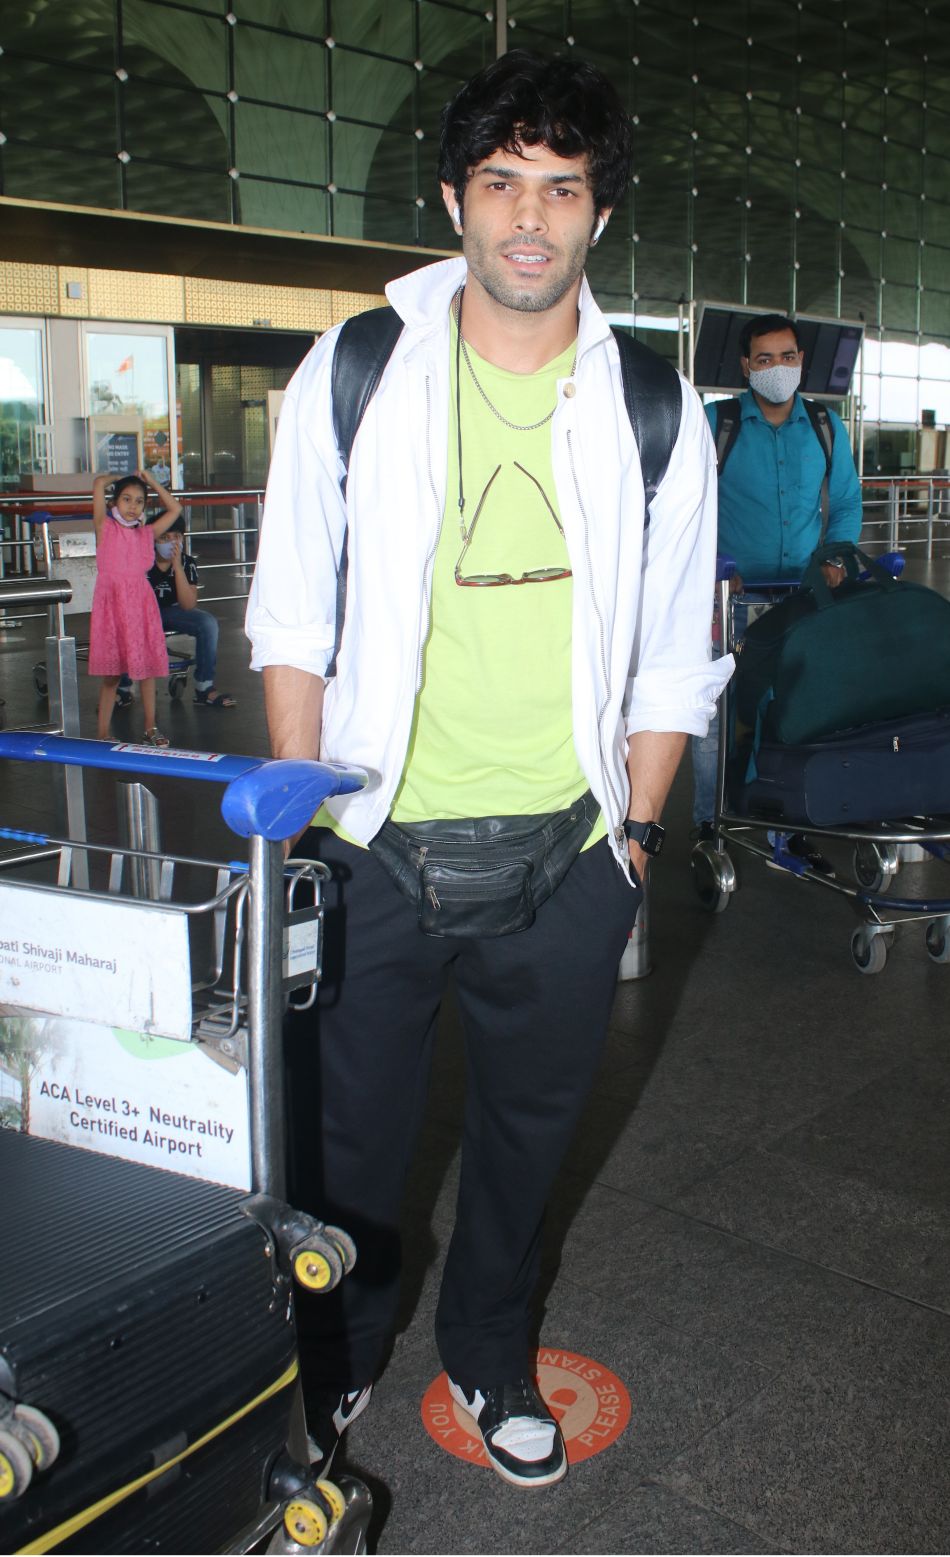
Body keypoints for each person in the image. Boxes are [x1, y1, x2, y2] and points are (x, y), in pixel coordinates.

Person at [246, 49, 730, 1490]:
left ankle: (491, 1354)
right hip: (373, 839)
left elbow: (672, 650)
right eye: (502, 182)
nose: (530, 216)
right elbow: (291, 611)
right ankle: (336, 1357)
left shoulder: (649, 404)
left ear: (597, 214)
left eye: (561, 188)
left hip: (567, 851)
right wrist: (308, 820)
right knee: (348, 1145)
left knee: (526, 1141)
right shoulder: (357, 370)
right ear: (454, 200)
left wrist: (633, 840)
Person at [690, 312, 863, 836]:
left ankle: (782, 813)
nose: (778, 368)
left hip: (803, 600)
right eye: (765, 359)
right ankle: (711, 821)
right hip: (729, 600)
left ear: (801, 361)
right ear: (746, 366)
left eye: (787, 357)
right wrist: (713, 567)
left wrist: (835, 559)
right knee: (718, 716)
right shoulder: (716, 424)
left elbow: (846, 503)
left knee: (794, 707)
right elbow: (686, 506)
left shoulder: (824, 426)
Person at [88, 470, 180, 745]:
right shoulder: (105, 528)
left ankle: (151, 727)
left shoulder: (147, 533)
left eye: (139, 501)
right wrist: (119, 475)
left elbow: (175, 509)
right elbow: (98, 484)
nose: (132, 506)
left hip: (140, 605)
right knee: (112, 674)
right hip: (112, 606)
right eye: (126, 499)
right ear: (114, 502)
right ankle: (102, 732)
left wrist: (151, 481)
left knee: (147, 669)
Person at [116, 517, 235, 710]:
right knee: (123, 625)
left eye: (177, 537)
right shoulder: (139, 560)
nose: (171, 542)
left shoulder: (187, 563)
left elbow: (188, 604)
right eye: (164, 538)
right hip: (141, 613)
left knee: (207, 623)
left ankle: (204, 687)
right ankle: (123, 689)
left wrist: (177, 566)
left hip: (173, 611)